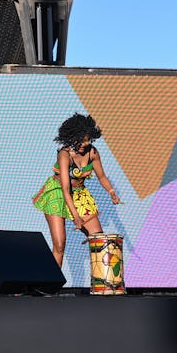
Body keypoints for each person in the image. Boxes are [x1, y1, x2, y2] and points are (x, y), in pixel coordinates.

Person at [32, 113, 121, 267]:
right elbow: (66, 189)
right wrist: (76, 216)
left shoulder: (92, 153)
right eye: (81, 140)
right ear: (72, 137)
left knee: (99, 239)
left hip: (79, 194)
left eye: (88, 140)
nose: (84, 143)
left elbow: (102, 177)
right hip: (58, 193)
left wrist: (112, 192)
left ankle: (102, 280)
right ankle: (51, 280)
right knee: (59, 245)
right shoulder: (65, 155)